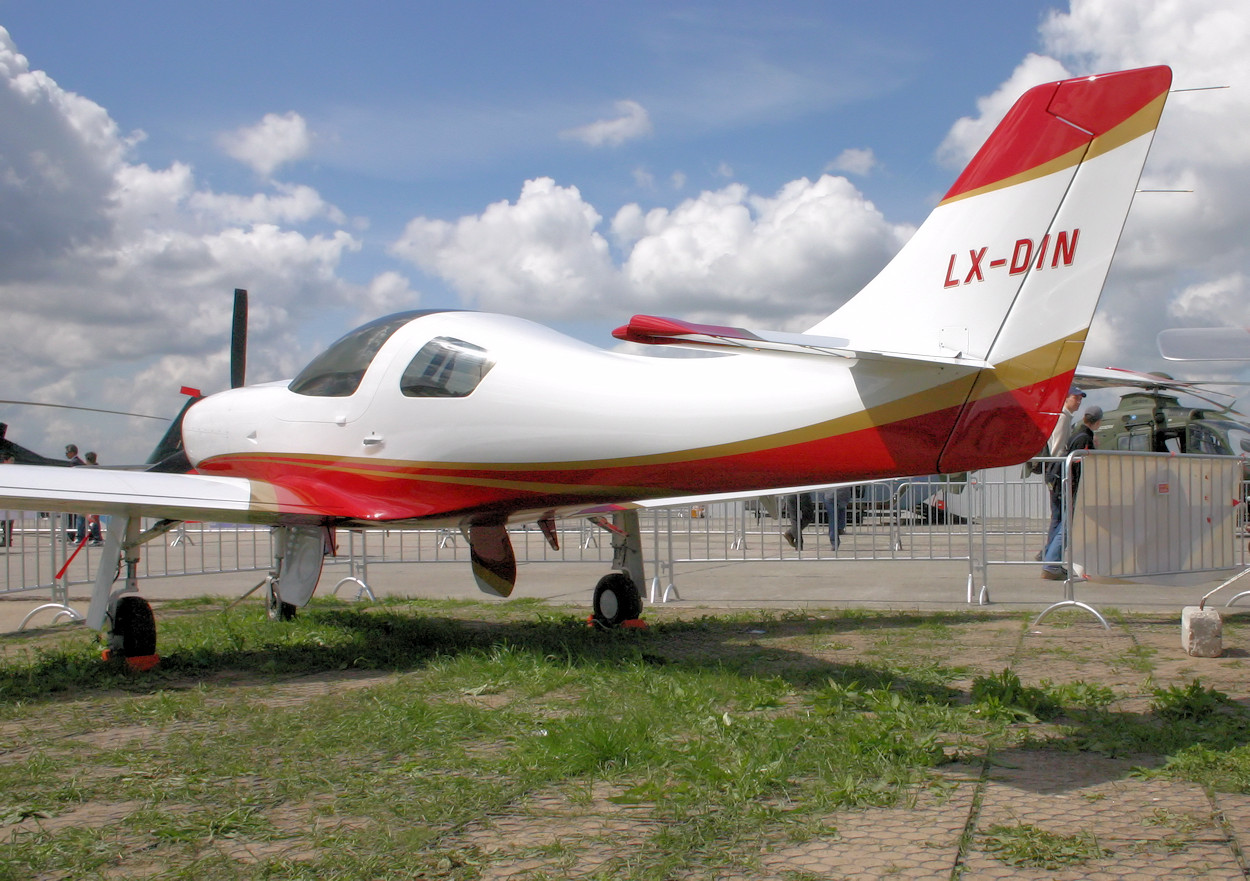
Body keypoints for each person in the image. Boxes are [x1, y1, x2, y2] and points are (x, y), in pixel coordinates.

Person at [1041, 405, 1103, 580]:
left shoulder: (1076, 434)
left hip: (1063, 484)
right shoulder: (1083, 438)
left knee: (1060, 522)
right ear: (1098, 422)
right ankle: (1051, 564)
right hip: (1072, 488)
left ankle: (1048, 559)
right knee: (1066, 527)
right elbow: (1079, 468)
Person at [1039, 387, 1085, 561]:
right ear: (1066, 398)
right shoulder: (1062, 418)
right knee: (1062, 516)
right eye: (1076, 398)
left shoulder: (1064, 417)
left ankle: (1048, 552)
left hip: (1054, 472)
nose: (1079, 401)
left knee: (1057, 516)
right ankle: (1051, 555)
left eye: (1081, 399)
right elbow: (1058, 448)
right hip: (1058, 472)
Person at [64, 443, 86, 542]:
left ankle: (71, 534)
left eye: (67, 452)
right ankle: (72, 534)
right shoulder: (79, 462)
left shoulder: (75, 463)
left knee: (72, 516)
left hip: (75, 492)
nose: (66, 454)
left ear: (72, 452)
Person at [822, 486, 853, 551]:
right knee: (841, 508)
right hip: (844, 494)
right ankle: (840, 527)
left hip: (830, 494)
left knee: (832, 518)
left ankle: (834, 541)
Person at [84, 451, 104, 544]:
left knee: (93, 518)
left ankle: (97, 538)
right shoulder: (99, 469)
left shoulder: (91, 470)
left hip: (93, 496)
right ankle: (95, 536)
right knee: (93, 518)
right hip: (96, 496)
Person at [0, 452, 13, 548]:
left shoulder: (10, 471)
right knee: (5, 521)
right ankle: (6, 539)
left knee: (7, 521)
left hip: (9, 500)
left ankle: (7, 540)